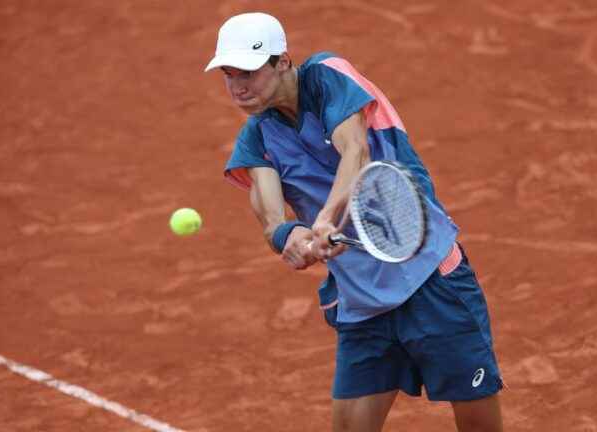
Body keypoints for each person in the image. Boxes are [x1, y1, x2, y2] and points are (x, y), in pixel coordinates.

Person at [205, 12, 505, 432]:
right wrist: (290, 235)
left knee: (477, 424)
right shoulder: (255, 139)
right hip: (364, 303)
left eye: (249, 73)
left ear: (283, 62)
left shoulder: (327, 75)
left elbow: (355, 152)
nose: (238, 87)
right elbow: (270, 213)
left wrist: (325, 218)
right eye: (229, 75)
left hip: (430, 278)